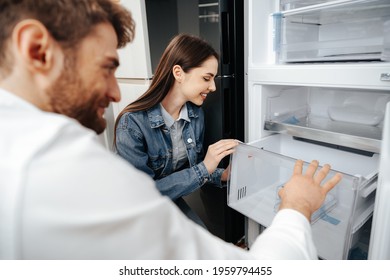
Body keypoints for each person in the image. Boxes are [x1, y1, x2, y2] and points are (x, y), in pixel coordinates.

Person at [0, 0, 342, 260]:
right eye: (106, 68)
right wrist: (297, 206)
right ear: (36, 49)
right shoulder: (67, 158)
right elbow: (147, 192)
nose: (117, 93)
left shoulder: (194, 115)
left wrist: (219, 175)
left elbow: (186, 170)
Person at [113, 34, 238, 227]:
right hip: (133, 211)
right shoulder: (132, 124)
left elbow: (193, 167)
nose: (213, 87)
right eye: (207, 78)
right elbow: (142, 195)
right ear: (178, 73)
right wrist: (205, 167)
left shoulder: (195, 115)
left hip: (166, 201)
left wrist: (221, 174)